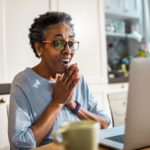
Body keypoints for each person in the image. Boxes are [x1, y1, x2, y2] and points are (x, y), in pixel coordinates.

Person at [8, 11, 110, 149]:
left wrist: (74, 105)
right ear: (39, 48)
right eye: (58, 43)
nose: (68, 50)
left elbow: (105, 123)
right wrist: (58, 102)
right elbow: (20, 145)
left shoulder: (77, 79)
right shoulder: (23, 82)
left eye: (71, 43)